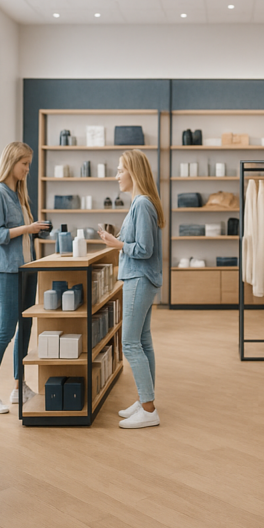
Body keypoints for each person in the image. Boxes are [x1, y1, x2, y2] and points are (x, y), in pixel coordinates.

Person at [98, 150, 164, 429]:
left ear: (133, 172)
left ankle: (148, 410)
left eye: (120, 170)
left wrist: (118, 244)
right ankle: (145, 400)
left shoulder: (142, 204)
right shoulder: (141, 203)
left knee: (130, 343)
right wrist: (118, 241)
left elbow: (145, 249)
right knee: (143, 341)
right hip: (142, 278)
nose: (116, 176)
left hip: (139, 278)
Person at [0, 142, 49, 414]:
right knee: (6, 330)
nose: (28, 169)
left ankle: (19, 386)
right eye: (25, 164)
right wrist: (26, 228)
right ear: (12, 162)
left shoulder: (19, 195)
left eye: (29, 164)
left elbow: (20, 234)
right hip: (6, 270)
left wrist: (33, 230)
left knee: (26, 327)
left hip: (26, 269)